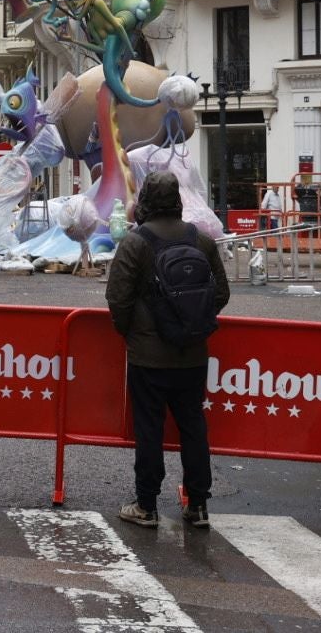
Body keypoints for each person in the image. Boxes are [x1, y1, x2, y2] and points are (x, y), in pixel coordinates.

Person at [105, 171, 230, 530]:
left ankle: (146, 505)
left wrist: (130, 331)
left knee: (149, 429)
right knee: (193, 427)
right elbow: (220, 293)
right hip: (192, 355)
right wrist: (192, 322)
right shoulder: (202, 241)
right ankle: (198, 505)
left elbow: (118, 297)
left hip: (148, 357)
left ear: (144, 200)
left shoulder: (135, 242)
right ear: (178, 200)